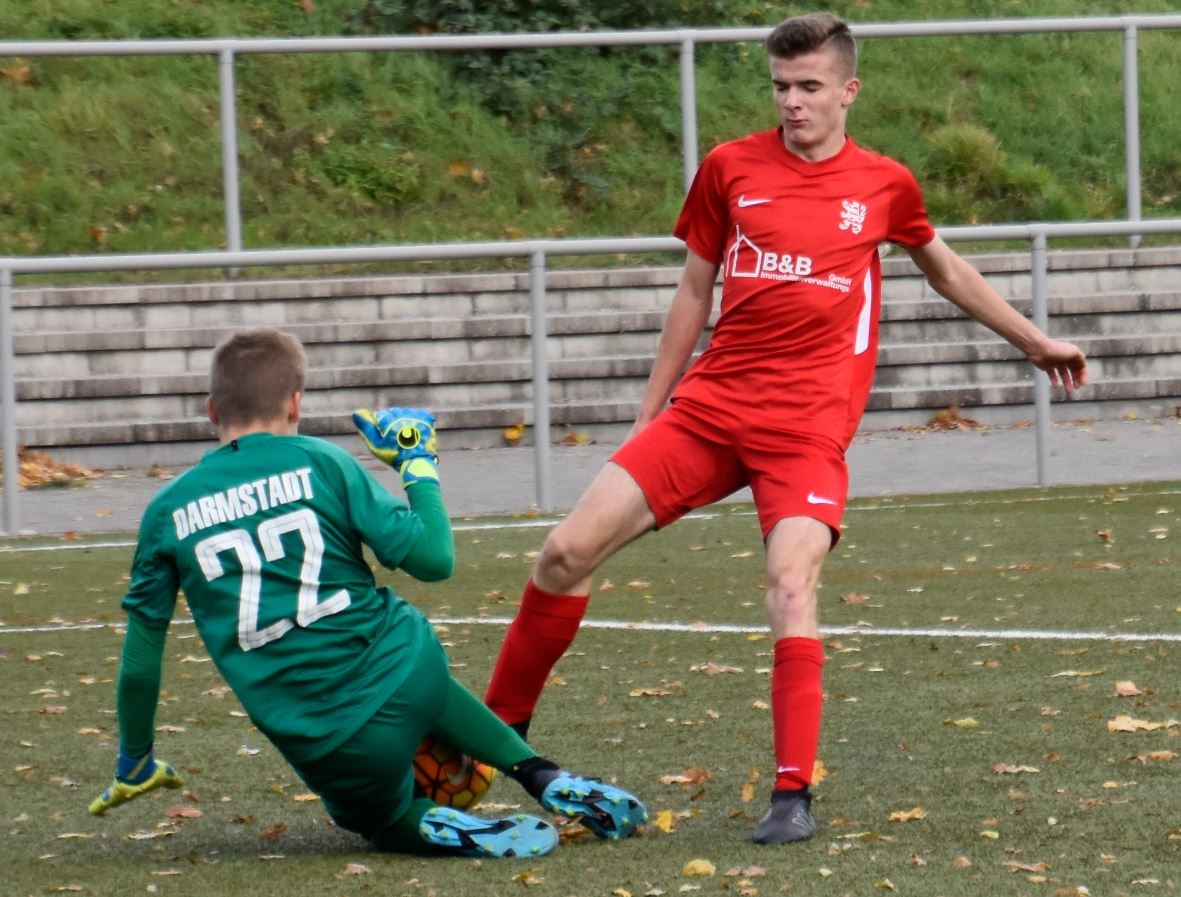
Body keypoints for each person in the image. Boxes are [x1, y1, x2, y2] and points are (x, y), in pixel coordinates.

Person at [482, 11, 1088, 845]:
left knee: (790, 584)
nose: (792, 102)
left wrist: (1034, 340)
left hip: (805, 430)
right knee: (563, 551)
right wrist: (649, 410)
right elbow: (693, 290)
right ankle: (489, 740)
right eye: (780, 87)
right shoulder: (729, 167)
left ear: (848, 90)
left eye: (808, 86)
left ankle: (791, 794)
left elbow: (945, 268)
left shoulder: (884, 184)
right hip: (709, 410)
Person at [89, 327, 647, 858]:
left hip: (327, 735)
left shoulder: (166, 512)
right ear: (295, 404)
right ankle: (540, 773)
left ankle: (427, 825)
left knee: (372, 818)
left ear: (211, 409)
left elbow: (140, 663)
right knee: (410, 668)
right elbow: (434, 560)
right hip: (411, 667)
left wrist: (135, 758)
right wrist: (418, 465)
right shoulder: (323, 461)